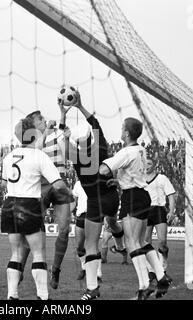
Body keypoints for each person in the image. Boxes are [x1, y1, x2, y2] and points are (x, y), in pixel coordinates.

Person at [1, 117, 71, 300]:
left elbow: (3, 184)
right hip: (29, 204)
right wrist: (70, 192)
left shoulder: (8, 157)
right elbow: (57, 184)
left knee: (15, 253)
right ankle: (43, 296)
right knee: (38, 252)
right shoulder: (39, 156)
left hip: (9, 206)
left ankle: (12, 295)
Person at [100, 118, 170, 300]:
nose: (121, 130)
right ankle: (161, 277)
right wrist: (120, 181)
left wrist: (93, 165)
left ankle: (144, 285)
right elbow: (133, 174)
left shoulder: (126, 152)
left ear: (127, 133)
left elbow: (104, 169)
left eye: (122, 128)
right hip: (142, 195)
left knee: (132, 243)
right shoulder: (141, 149)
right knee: (141, 242)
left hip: (132, 198)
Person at [62, 91, 123, 300]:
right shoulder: (102, 149)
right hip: (111, 197)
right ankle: (120, 238)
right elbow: (95, 123)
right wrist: (80, 106)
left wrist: (63, 116)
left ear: (79, 143)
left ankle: (92, 288)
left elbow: (64, 145)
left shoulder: (77, 158)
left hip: (95, 202)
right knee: (114, 223)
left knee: (90, 244)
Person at [18, 110, 73, 290]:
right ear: (33, 126)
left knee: (64, 230)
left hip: (59, 182)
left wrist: (65, 138)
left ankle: (55, 269)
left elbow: (65, 158)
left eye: (42, 118)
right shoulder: (32, 142)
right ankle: (19, 269)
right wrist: (45, 134)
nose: (44, 120)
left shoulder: (56, 134)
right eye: (39, 119)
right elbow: (34, 154)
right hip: (40, 185)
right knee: (31, 230)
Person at [144, 157, 176, 290]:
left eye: (150, 163)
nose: (147, 165)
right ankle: (151, 272)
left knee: (162, 242)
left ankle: (163, 269)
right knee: (145, 242)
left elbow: (171, 195)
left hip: (159, 210)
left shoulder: (162, 178)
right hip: (144, 210)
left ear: (154, 165)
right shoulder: (139, 178)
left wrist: (172, 211)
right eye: (145, 163)